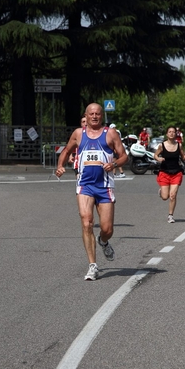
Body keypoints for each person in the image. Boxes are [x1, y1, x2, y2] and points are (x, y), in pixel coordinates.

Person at [55, 103, 128, 281]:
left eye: (97, 114)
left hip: (104, 186)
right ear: (85, 116)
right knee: (87, 222)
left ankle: (103, 241)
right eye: (91, 114)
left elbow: (124, 155)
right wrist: (60, 166)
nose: (94, 116)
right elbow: (66, 150)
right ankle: (92, 265)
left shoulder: (110, 134)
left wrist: (115, 164)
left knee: (107, 228)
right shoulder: (79, 134)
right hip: (85, 185)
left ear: (101, 116)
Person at [154, 125, 185, 223]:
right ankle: (161, 192)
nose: (171, 133)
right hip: (164, 172)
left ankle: (170, 215)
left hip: (176, 173)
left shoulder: (179, 145)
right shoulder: (162, 145)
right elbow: (155, 155)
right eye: (169, 131)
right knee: (165, 197)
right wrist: (158, 158)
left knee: (173, 195)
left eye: (173, 132)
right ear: (167, 134)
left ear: (176, 134)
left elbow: (183, 155)